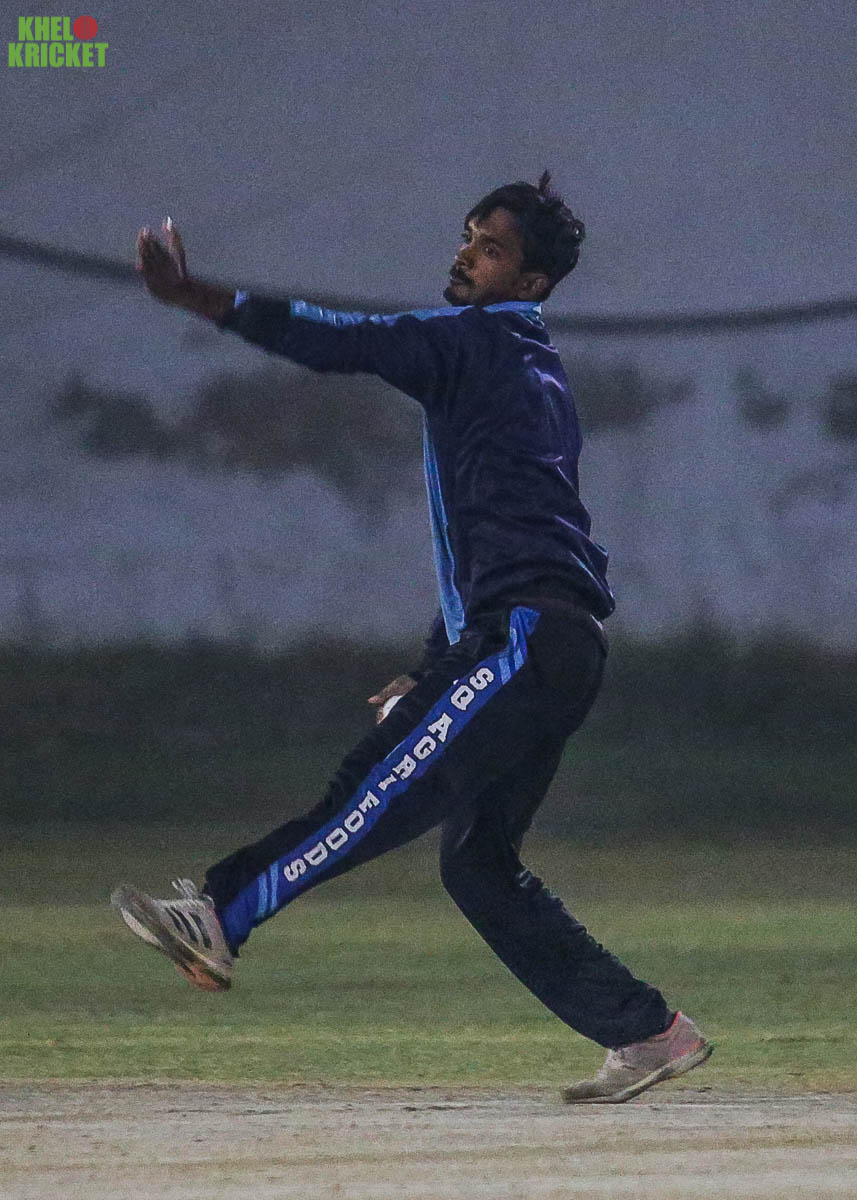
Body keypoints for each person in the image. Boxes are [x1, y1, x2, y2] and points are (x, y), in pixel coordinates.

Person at [112, 173, 712, 1103]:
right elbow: (509, 541)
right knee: (476, 864)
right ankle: (645, 1031)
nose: (468, 253)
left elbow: (340, 339)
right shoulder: (533, 368)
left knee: (374, 788)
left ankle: (219, 915)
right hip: (547, 642)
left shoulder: (474, 339)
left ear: (532, 282)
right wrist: (443, 667)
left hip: (523, 640)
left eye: (492, 247)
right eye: (470, 235)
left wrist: (198, 297)